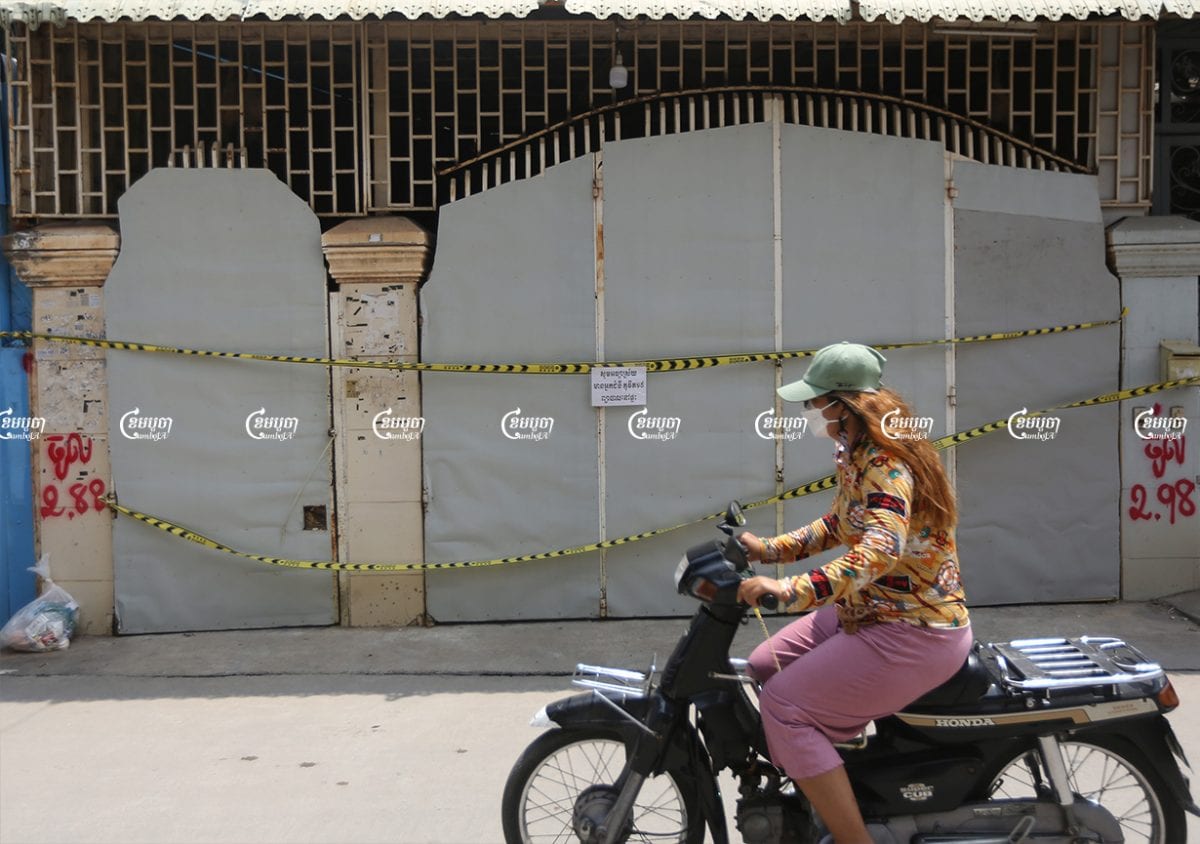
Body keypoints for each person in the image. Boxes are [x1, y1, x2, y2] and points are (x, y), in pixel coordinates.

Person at [736, 341, 971, 844]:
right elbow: (841, 523)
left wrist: (790, 590)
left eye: (816, 402)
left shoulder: (887, 464)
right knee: (761, 664)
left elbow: (879, 550)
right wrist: (769, 549)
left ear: (844, 405)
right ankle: (830, 777)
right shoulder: (857, 453)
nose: (811, 412)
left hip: (912, 628)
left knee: (782, 704)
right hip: (869, 611)